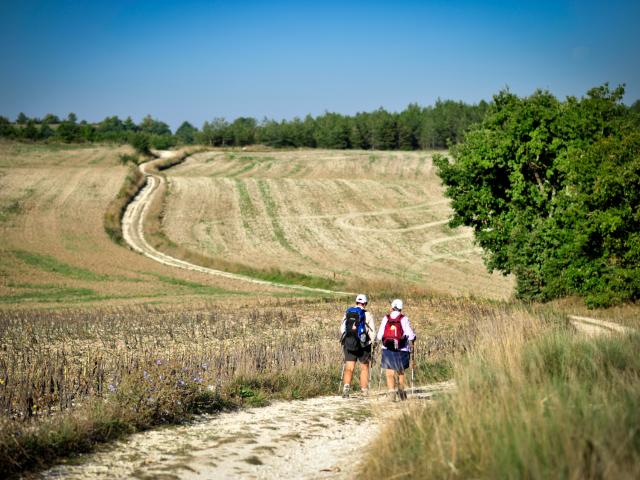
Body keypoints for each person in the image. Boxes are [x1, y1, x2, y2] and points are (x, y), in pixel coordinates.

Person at [377, 298, 416, 401]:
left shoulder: (386, 318)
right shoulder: (404, 319)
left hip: (387, 348)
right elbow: (410, 336)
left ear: (392, 307)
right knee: (400, 371)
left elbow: (379, 335)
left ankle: (391, 394)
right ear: (401, 309)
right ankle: (401, 392)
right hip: (401, 349)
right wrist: (413, 337)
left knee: (389, 372)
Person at [340, 293, 376, 398]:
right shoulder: (367, 314)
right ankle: (364, 391)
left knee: (349, 367)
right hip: (363, 345)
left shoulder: (348, 312)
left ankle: (346, 389)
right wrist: (373, 343)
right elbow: (372, 332)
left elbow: (342, 329)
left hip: (349, 343)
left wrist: (346, 339)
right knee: (364, 368)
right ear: (365, 303)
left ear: (356, 302)